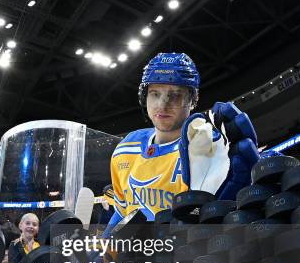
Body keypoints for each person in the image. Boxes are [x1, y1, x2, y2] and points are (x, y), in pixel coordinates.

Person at [105, 52, 259, 235]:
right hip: (135, 258)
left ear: (193, 100)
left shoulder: (210, 147)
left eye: (175, 95)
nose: (162, 104)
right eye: (155, 94)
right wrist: (103, 251)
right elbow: (121, 212)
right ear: (143, 97)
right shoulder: (125, 148)